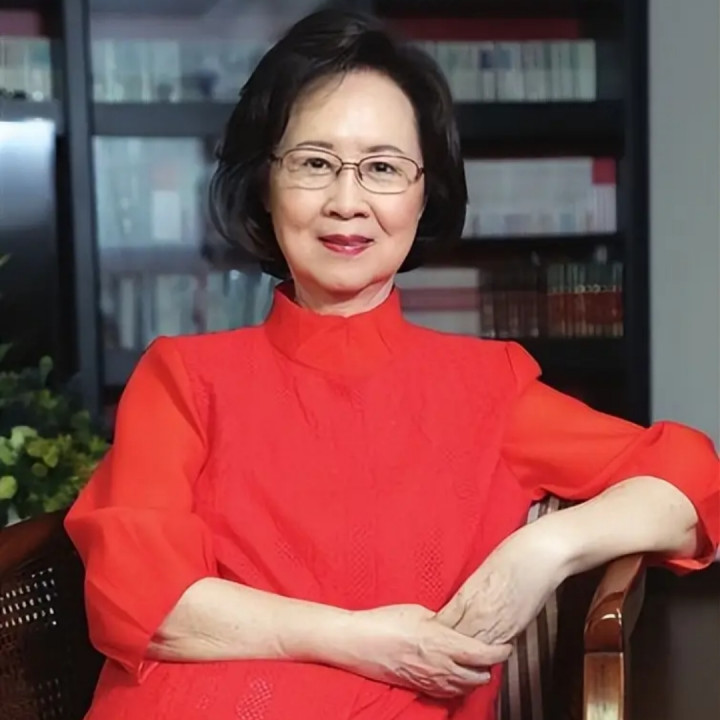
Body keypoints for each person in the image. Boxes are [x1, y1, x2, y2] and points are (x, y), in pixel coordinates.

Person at [65, 9, 720, 720]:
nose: (346, 203)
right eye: (314, 163)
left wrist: (544, 550)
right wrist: (364, 642)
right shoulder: (182, 379)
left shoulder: (487, 389)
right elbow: (142, 597)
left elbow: (691, 480)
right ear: (264, 184)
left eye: (382, 168)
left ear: (423, 194)